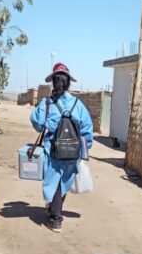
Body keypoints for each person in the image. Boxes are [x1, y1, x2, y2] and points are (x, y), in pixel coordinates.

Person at [30, 63, 94, 233]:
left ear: (53, 82)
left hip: (53, 150)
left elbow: (36, 122)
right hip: (73, 151)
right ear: (68, 83)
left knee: (54, 181)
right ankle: (54, 209)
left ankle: (56, 218)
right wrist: (85, 147)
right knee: (64, 180)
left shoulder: (48, 103)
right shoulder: (78, 104)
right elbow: (87, 129)